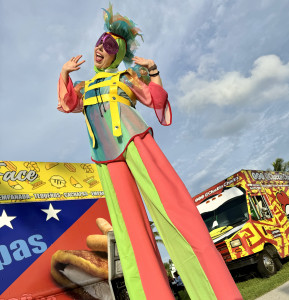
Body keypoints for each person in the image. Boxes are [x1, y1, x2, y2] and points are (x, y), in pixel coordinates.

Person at [57, 4, 242, 300]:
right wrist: (65, 73)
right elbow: (68, 103)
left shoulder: (126, 78)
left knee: (173, 208)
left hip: (135, 141)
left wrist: (153, 71)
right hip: (106, 156)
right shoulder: (85, 85)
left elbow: (155, 99)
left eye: (107, 45)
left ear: (116, 53)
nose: (99, 49)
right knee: (130, 235)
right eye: (98, 43)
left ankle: (216, 293)